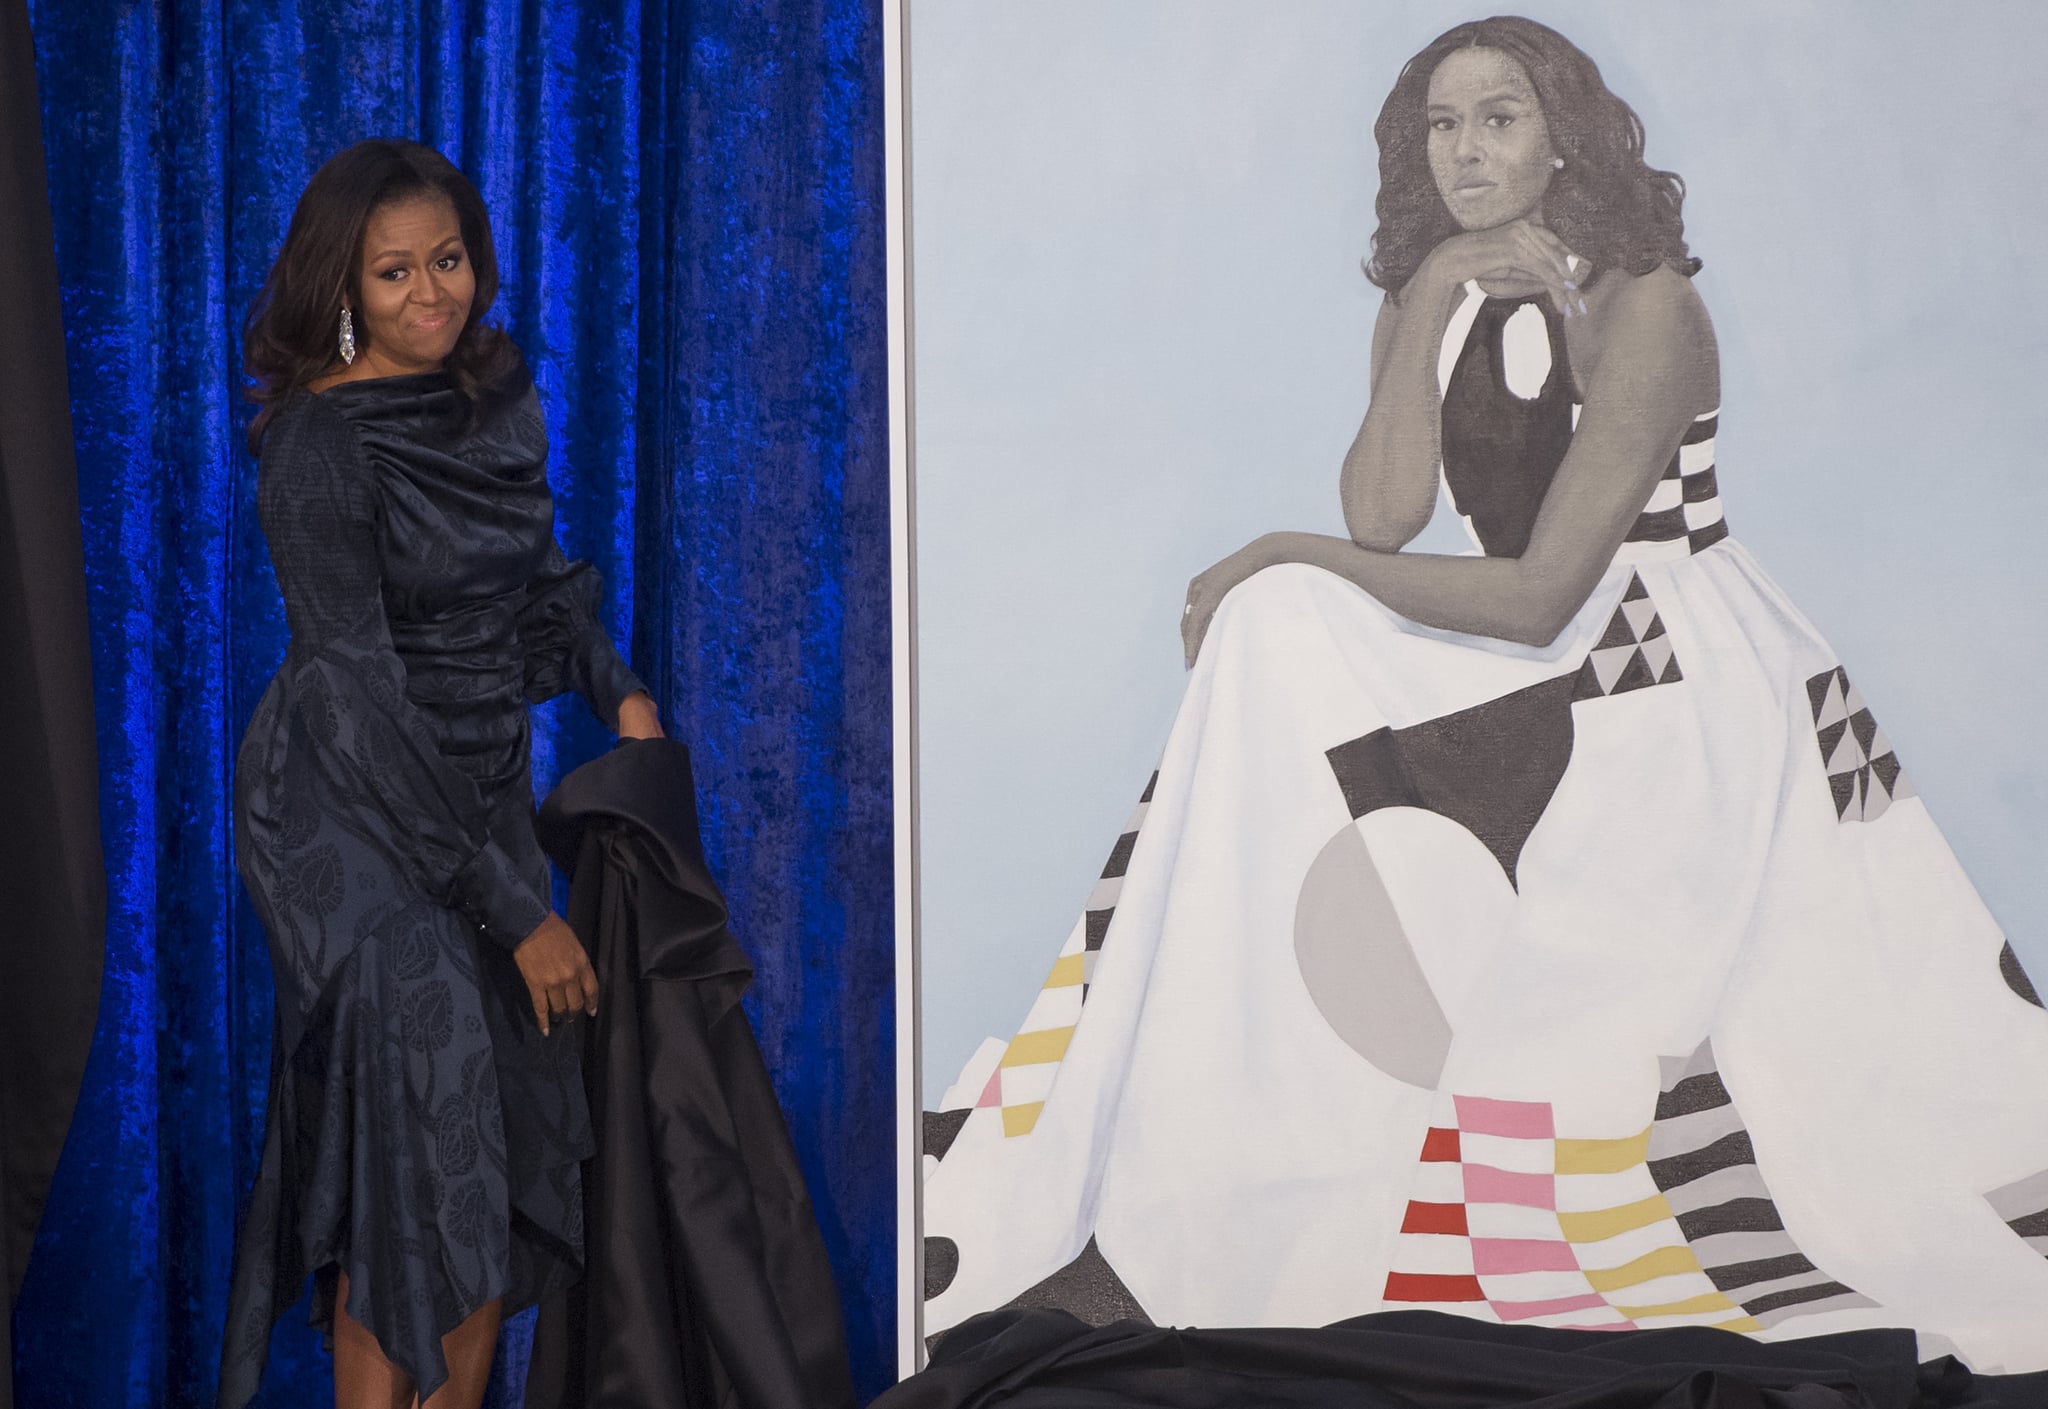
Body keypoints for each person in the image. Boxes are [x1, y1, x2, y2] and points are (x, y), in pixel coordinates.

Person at [920, 17, 2048, 1372]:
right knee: (1280, 627)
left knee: (1287, 590)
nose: (1466, 150)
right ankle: (1212, 1095)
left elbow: (1546, 592)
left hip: (1662, 666)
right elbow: (1386, 517)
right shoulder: (1431, 289)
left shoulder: (1649, 308)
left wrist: (1279, 548)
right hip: (1530, 648)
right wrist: (1437, 293)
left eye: (1498, 119)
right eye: (1441, 126)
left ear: (1565, 131)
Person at [217, 139, 662, 1409]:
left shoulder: (494, 403)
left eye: (450, 259)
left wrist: (614, 687)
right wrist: (515, 909)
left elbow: (539, 585)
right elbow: (352, 696)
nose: (433, 294)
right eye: (398, 270)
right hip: (345, 814)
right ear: (346, 285)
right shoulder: (316, 444)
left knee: (506, 1140)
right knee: (423, 1133)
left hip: (471, 783)